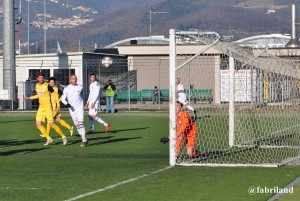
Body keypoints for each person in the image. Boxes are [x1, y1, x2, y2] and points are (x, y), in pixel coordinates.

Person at [24, 72, 67, 146]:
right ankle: (49, 138)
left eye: (42, 78)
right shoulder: (37, 85)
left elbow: (55, 95)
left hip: (48, 107)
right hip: (41, 108)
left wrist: (58, 105)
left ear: (44, 78)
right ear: (37, 79)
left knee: (51, 124)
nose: (41, 79)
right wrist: (29, 98)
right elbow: (38, 95)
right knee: (38, 124)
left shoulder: (47, 86)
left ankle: (63, 136)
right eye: (39, 78)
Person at [61, 74, 88, 147]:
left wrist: (83, 103)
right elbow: (63, 99)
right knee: (77, 125)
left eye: (76, 78)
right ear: (70, 80)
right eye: (73, 78)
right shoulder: (67, 88)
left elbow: (82, 96)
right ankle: (82, 136)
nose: (75, 80)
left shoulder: (80, 87)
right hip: (72, 110)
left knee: (81, 123)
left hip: (79, 108)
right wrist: (67, 104)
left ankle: (84, 139)